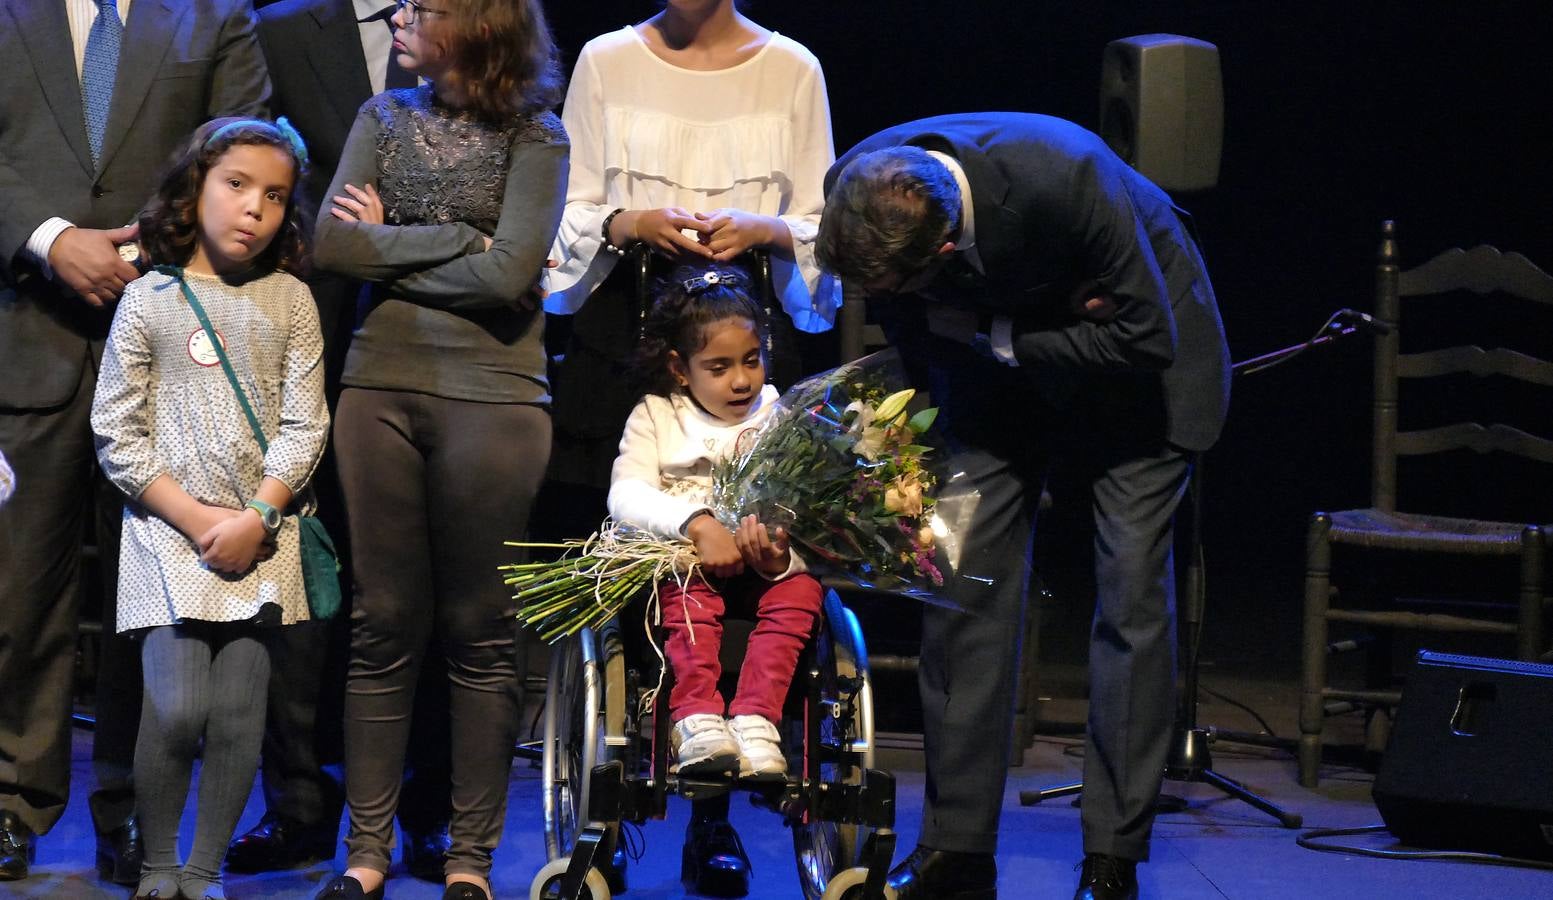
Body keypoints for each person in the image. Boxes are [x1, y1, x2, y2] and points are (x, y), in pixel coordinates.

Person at [816, 113, 1231, 900]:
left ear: (942, 252)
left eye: (894, 283)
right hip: (996, 369)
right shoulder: (859, 183)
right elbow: (911, 320)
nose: (875, 298)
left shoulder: (1066, 178)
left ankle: (1111, 860)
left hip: (1143, 377)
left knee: (1131, 595)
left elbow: (1144, 335)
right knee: (962, 586)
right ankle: (956, 851)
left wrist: (995, 334)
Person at [0, 0, 269, 883]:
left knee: (148, 606)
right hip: (24, 337)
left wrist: (151, 251)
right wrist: (50, 239)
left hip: (169, 344)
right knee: (17, 597)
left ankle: (135, 811)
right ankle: (12, 803)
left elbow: (245, 147)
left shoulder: (213, 13)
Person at [310, 0, 566, 896]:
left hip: (492, 395)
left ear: (479, 25)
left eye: (426, 7)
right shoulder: (381, 117)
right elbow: (333, 246)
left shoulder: (539, 135)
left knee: (478, 631)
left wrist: (395, 245)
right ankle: (367, 855)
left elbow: (512, 277)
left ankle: (468, 859)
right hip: (378, 384)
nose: (404, 18)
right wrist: (458, 238)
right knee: (381, 623)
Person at [232, 0, 454, 876]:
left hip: (438, 333)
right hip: (301, 332)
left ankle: (430, 809)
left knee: (424, 584)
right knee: (298, 576)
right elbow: (243, 159)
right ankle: (299, 804)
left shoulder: (471, 21)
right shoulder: (283, 29)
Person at [90, 116, 328, 900]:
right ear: (195, 189)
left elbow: (305, 423)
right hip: (171, 538)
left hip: (260, 540)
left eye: (274, 196)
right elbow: (116, 430)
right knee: (180, 705)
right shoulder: (151, 298)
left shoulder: (292, 301)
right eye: (236, 185)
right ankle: (156, 862)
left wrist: (255, 517)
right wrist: (198, 521)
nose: (253, 208)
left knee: (236, 718)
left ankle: (199, 873)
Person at [541, 0, 840, 536]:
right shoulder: (605, 58)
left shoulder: (793, 67)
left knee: (758, 533)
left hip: (743, 325)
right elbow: (564, 211)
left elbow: (822, 225)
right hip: (628, 328)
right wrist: (628, 221)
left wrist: (763, 228)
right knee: (613, 541)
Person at [607, 262, 826, 895]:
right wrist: (696, 523)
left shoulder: (780, 414)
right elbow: (627, 494)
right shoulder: (657, 415)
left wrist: (777, 539)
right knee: (684, 587)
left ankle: (758, 718)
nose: (741, 380)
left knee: (803, 590)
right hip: (686, 562)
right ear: (681, 368)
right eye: (720, 367)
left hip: (762, 568)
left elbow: (804, 495)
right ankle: (697, 717)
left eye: (752, 361)